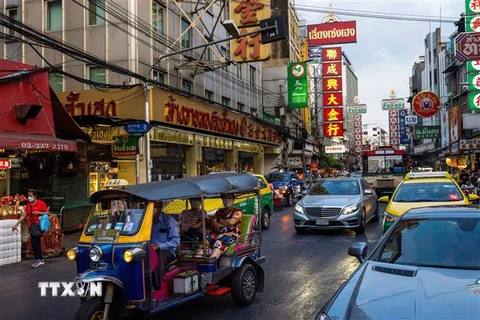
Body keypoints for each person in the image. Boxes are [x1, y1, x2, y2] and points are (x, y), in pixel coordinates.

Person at [11, 189, 48, 268]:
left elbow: (47, 212)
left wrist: (38, 213)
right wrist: (16, 224)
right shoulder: (28, 205)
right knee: (35, 242)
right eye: (28, 196)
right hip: (31, 226)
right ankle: (40, 259)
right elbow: (23, 215)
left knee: (35, 242)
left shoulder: (41, 203)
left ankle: (37, 259)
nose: (29, 197)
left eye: (30, 196)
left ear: (35, 196)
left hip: (38, 225)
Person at [151, 201, 180, 290]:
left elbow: (175, 241)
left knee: (159, 256)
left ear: (160, 206)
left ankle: (155, 286)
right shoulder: (145, 221)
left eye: (156, 205)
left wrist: (158, 246)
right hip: (149, 249)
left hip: (167, 252)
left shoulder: (169, 220)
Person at [204, 193, 242, 260]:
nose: (227, 200)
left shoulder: (237, 211)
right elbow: (213, 222)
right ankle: (197, 262)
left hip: (231, 235)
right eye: (225, 198)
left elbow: (231, 222)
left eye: (229, 198)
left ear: (233, 199)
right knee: (205, 241)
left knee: (219, 242)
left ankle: (211, 262)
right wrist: (224, 223)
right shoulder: (220, 211)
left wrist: (219, 221)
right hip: (216, 234)